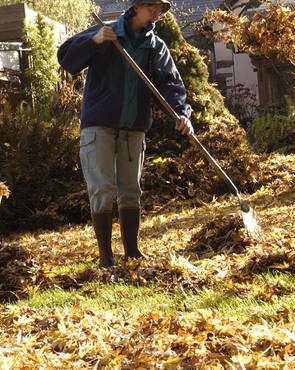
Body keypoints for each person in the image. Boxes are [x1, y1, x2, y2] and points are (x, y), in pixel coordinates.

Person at [57, 0, 193, 268]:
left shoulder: (156, 47)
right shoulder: (105, 32)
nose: (157, 14)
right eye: (152, 8)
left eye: (160, 11)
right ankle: (106, 256)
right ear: (136, 7)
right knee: (103, 188)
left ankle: (132, 251)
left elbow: (171, 84)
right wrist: (94, 41)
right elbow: (66, 59)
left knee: (131, 189)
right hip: (99, 125)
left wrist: (182, 114)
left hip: (134, 126)